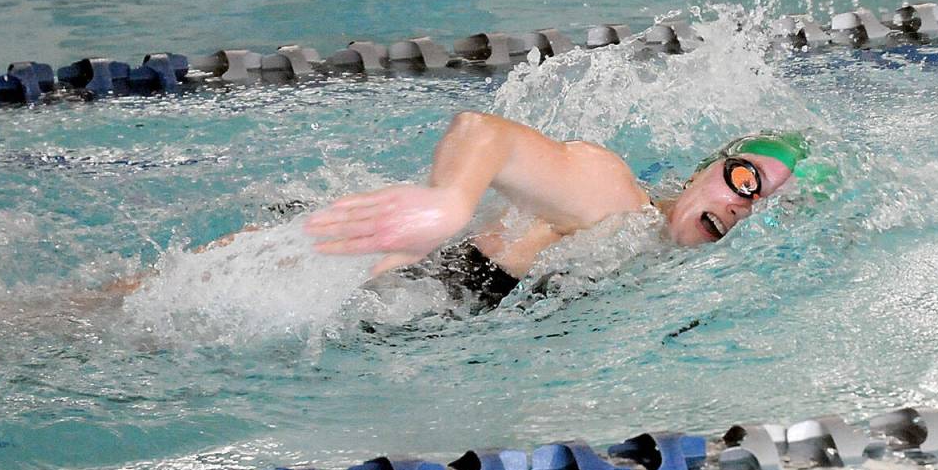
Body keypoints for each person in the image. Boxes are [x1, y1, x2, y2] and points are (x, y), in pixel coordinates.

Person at [304, 111, 810, 309]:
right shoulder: (615, 202)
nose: (747, 208)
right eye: (746, 181)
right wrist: (448, 204)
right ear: (703, 171)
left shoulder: (670, 275)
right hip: (333, 281)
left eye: (771, 209)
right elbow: (484, 134)